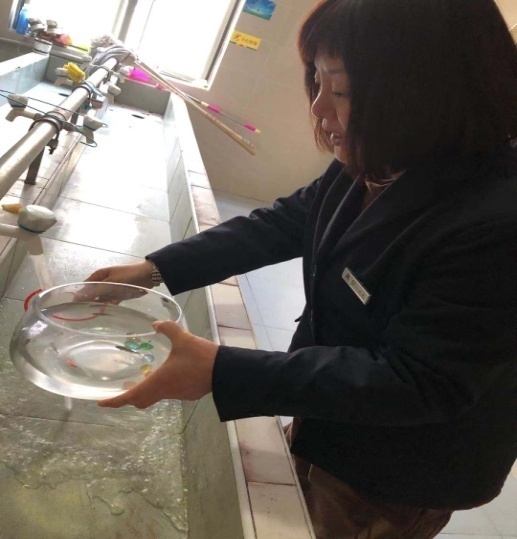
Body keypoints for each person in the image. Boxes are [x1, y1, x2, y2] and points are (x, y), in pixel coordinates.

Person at [86, 1, 517, 537]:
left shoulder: (495, 219)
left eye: (342, 90)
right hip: (330, 411)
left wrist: (221, 370)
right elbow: (287, 220)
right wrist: (153, 269)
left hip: (396, 472)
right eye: (316, 80)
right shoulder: (389, 156)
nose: (318, 108)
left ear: (424, 90)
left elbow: (419, 381)